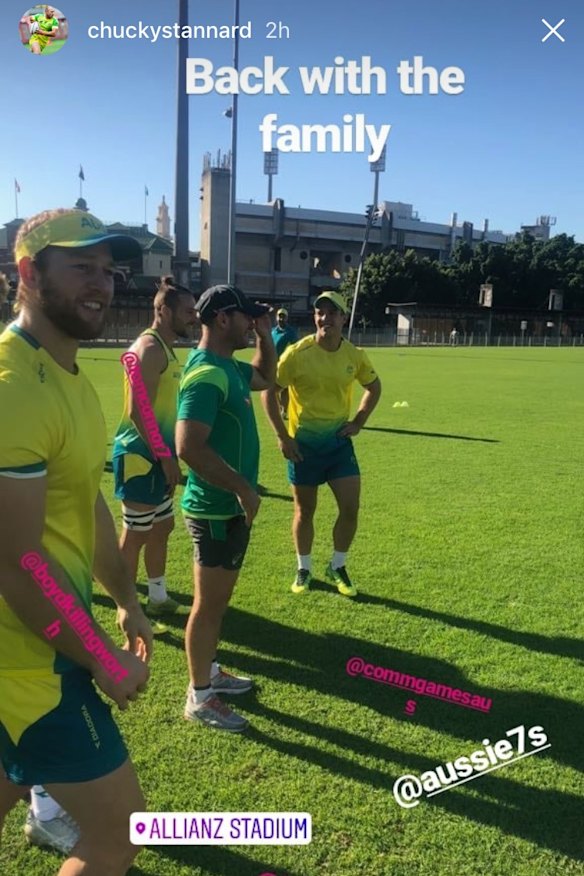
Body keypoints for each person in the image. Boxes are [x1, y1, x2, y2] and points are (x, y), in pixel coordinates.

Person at [0, 208, 153, 875]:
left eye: (109, 269)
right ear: (29, 273)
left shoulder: (67, 374)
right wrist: (98, 656)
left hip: (30, 646)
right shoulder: (13, 390)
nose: (103, 283)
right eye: (81, 267)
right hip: (26, 660)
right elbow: (14, 561)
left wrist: (126, 597)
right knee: (119, 836)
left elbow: (85, 499)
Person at [176, 284, 275, 732]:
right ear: (222, 320)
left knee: (218, 601)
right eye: (245, 317)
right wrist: (242, 488)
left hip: (229, 507)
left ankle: (210, 673)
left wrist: (266, 337)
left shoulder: (230, 369)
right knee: (208, 605)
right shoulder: (206, 374)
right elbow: (187, 447)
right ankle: (199, 695)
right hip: (215, 509)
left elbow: (266, 377)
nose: (250, 324)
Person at [262, 291, 381, 598]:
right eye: (319, 312)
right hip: (303, 448)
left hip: (339, 447)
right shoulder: (297, 353)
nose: (324, 318)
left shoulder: (354, 355)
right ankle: (304, 568)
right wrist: (282, 436)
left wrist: (358, 422)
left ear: (343, 318)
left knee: (350, 508)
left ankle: (337, 565)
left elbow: (374, 386)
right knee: (305, 511)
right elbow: (269, 391)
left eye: (332, 312)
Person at [112, 277, 197, 618]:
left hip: (157, 456)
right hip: (140, 456)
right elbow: (137, 409)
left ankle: (158, 598)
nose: (193, 317)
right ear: (163, 310)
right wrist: (164, 458)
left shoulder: (164, 346)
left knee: (161, 528)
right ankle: (127, 606)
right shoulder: (148, 348)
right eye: (188, 311)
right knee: (135, 534)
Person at [271, 307, 298, 419]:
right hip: (273, 364)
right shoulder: (273, 331)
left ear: (286, 318)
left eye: (283, 316)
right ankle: (279, 408)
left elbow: (295, 347)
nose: (281, 318)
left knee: (284, 389)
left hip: (285, 364)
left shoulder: (291, 332)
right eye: (279, 316)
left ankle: (284, 410)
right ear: (276, 317)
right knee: (273, 388)